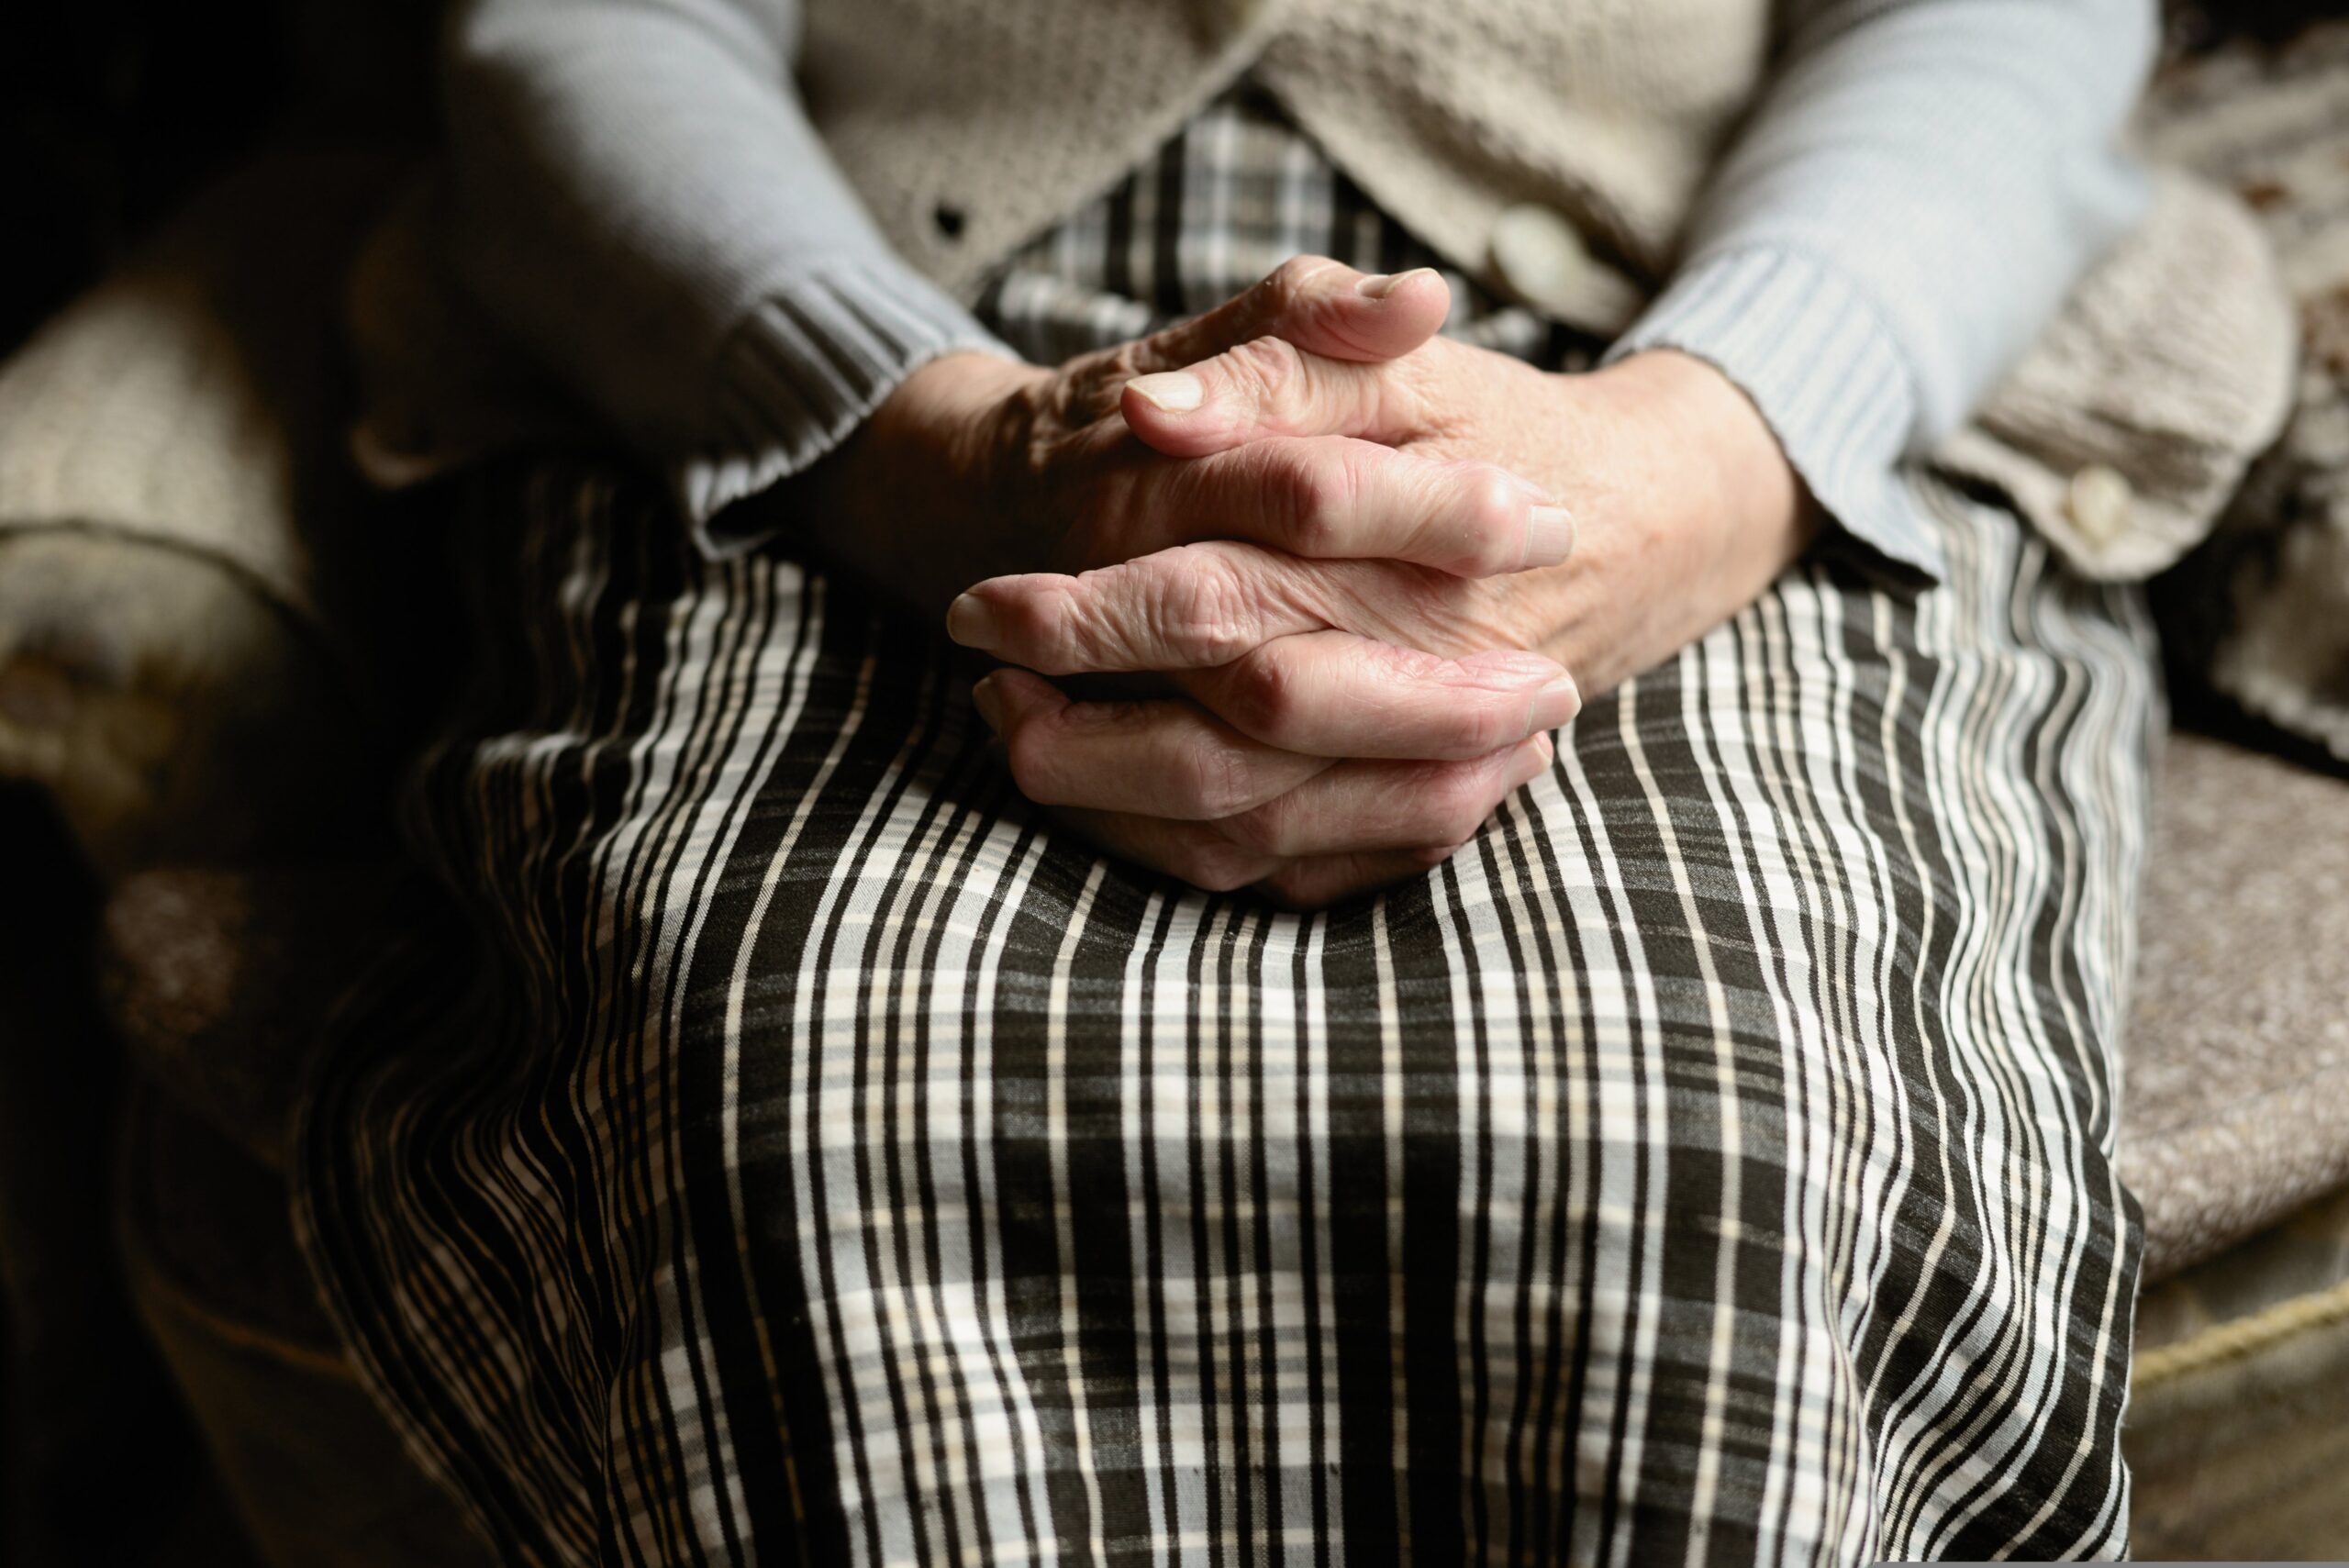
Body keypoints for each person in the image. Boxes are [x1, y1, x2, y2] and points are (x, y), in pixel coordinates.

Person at [292, 0, 2270, 1561]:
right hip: (862, 365)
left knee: (1692, 1140)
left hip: (1701, 345)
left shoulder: (1711, 410)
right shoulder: (888, 416)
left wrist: (1696, 454)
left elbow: (1992, 24)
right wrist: (940, 452)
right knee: (813, 1100)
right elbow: (590, 29)